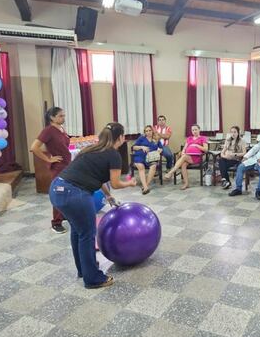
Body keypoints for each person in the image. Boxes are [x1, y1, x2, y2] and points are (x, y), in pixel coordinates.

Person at [50, 122, 136, 289]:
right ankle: (93, 279)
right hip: (74, 194)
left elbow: (97, 177)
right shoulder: (113, 154)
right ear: (120, 137)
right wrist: (130, 183)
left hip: (57, 189)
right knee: (87, 234)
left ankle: (84, 270)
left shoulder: (91, 149)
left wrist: (108, 196)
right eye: (123, 136)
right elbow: (116, 183)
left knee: (78, 231)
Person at [31, 107, 71, 234]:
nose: (63, 118)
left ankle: (63, 215)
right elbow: (34, 147)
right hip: (58, 167)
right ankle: (56, 223)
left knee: (66, 192)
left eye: (64, 115)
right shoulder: (48, 131)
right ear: (52, 117)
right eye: (60, 116)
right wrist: (48, 159)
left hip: (66, 166)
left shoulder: (61, 129)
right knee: (59, 193)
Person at [165, 124, 208, 190]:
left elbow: (206, 149)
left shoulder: (203, 138)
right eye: (193, 130)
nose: (194, 131)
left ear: (199, 130)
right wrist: (182, 152)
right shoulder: (189, 138)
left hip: (197, 157)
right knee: (183, 165)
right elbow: (185, 148)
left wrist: (196, 146)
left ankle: (171, 172)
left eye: (196, 129)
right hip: (188, 156)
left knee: (184, 157)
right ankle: (186, 183)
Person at [131, 125, 163, 195]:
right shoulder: (141, 138)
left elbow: (161, 148)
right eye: (146, 131)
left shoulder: (156, 139)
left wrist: (160, 150)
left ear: (152, 131)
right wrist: (142, 147)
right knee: (141, 167)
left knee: (153, 166)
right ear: (145, 132)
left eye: (149, 130)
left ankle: (145, 186)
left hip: (151, 158)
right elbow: (133, 147)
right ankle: (145, 187)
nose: (148, 132)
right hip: (140, 156)